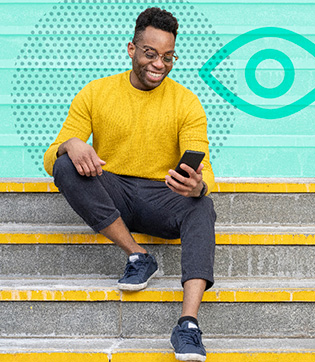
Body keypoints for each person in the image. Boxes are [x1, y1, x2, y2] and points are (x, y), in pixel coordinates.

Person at [43, 7, 216, 362]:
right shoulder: (96, 92)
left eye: (168, 57)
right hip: (113, 191)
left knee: (203, 204)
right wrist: (69, 144)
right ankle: (138, 256)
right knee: (65, 165)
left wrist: (197, 186)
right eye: (150, 54)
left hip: (162, 196)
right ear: (132, 49)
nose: (159, 64)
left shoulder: (186, 102)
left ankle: (188, 325)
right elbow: (51, 160)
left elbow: (206, 173)